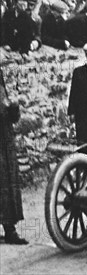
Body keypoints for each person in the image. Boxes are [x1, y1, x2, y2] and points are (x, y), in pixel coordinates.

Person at [0, 69, 28, 245]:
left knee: (7, 183)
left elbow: (10, 117)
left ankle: (10, 229)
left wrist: (14, 107)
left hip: (4, 138)